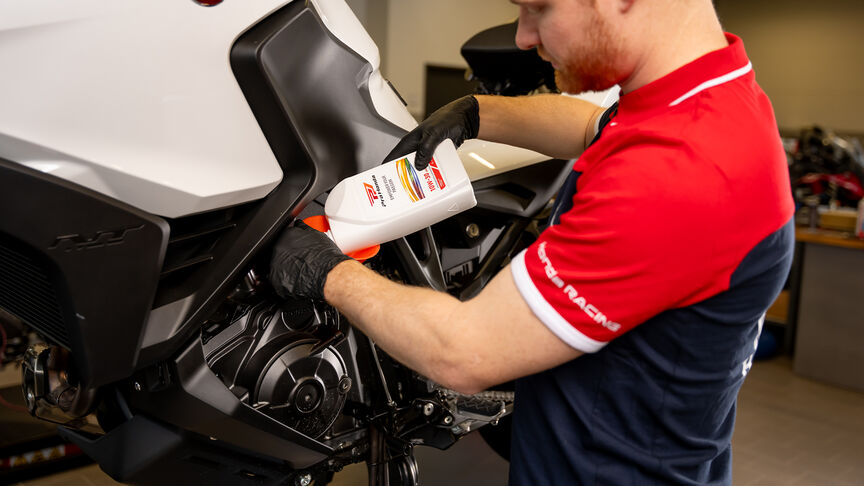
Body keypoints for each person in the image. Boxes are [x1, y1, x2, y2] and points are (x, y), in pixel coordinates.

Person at [269, 0, 795, 483]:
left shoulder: (677, 173)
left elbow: (463, 353)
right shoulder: (709, 98)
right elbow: (596, 124)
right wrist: (477, 112)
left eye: (539, 8)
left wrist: (327, 272)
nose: (523, 36)